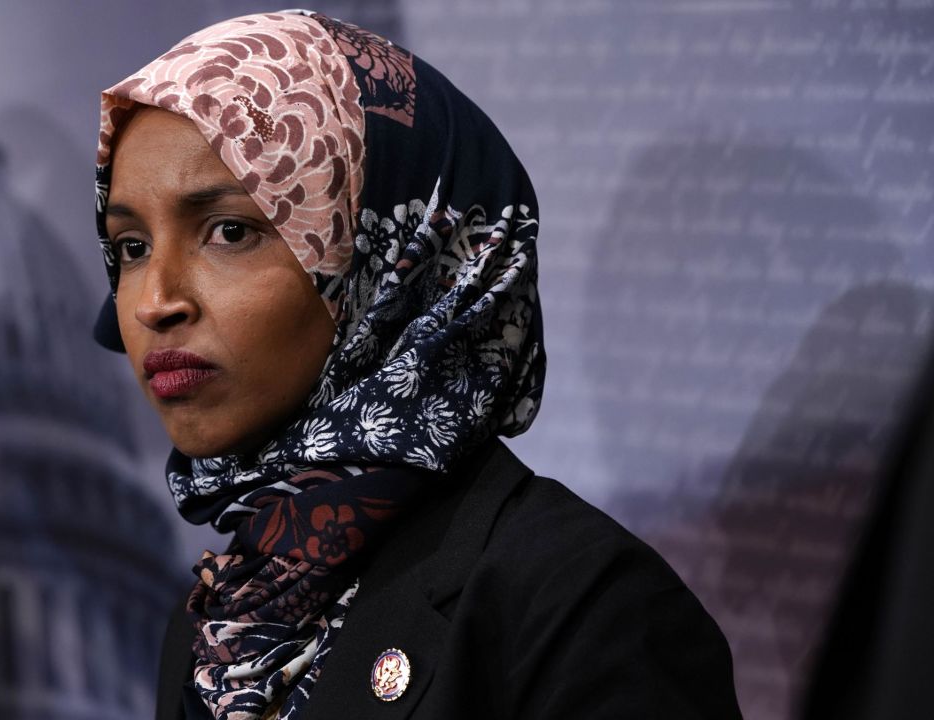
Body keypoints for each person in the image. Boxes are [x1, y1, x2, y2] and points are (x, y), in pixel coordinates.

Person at [91, 11, 742, 719]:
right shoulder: (214, 621)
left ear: (390, 257)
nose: (155, 302)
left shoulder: (581, 605)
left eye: (230, 231)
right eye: (130, 247)